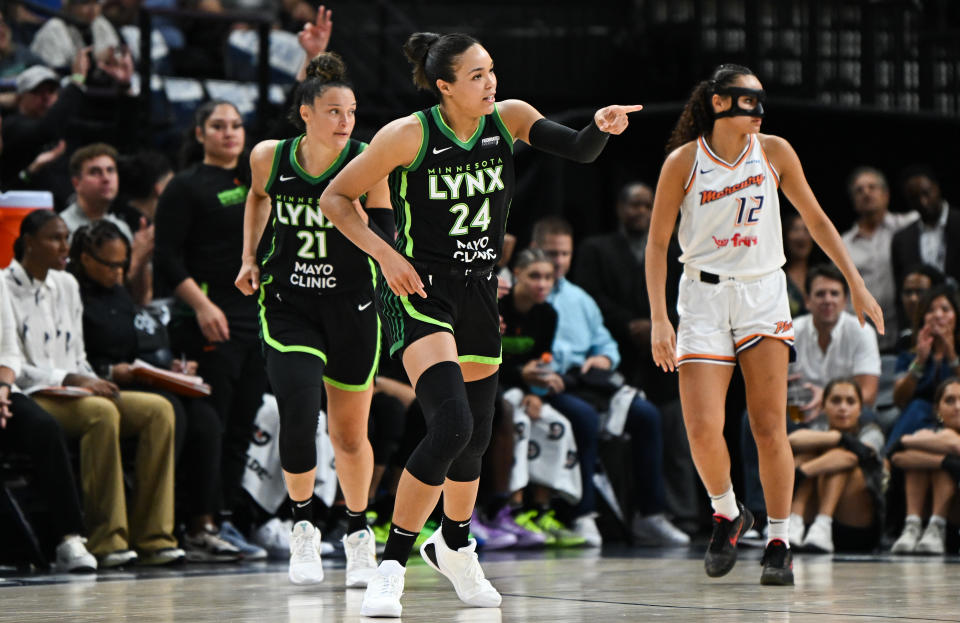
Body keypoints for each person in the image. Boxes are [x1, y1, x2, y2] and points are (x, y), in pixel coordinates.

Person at [316, 32, 640, 617]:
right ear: (444, 87)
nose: (491, 83)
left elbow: (581, 151)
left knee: (476, 439)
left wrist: (602, 126)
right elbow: (337, 200)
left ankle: (457, 544)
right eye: (476, 76)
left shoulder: (510, 118)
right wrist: (386, 254)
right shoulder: (407, 135)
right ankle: (391, 564)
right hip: (419, 291)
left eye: (492, 71)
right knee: (450, 426)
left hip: (480, 292)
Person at [646, 63, 883, 586]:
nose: (758, 109)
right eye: (748, 99)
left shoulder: (774, 151)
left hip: (762, 291)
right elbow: (658, 244)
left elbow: (817, 219)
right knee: (703, 427)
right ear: (719, 103)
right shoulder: (683, 162)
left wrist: (857, 283)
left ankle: (779, 539)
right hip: (702, 294)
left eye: (760, 100)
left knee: (768, 426)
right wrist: (660, 318)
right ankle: (728, 512)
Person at [234, 52, 388, 587]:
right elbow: (257, 200)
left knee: (349, 435)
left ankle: (358, 532)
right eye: (333, 111)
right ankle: (301, 527)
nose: (345, 121)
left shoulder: (369, 161)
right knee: (299, 411)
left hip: (352, 306)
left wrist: (359, 217)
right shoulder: (268, 157)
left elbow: (386, 236)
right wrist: (249, 257)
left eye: (351, 111)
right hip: (289, 303)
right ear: (306, 113)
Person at [4, 210, 183, 567]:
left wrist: (90, 378)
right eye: (55, 238)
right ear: (29, 243)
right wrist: (70, 379)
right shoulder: (3, 286)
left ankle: (154, 536)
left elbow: (78, 353)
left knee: (157, 410)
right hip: (36, 393)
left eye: (65, 238)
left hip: (75, 387)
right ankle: (107, 539)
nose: (64, 246)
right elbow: (12, 365)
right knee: (100, 413)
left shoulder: (67, 285)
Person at [70, 221, 240, 563]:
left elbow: (135, 342)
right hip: (91, 382)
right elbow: (73, 352)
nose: (118, 274)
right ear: (86, 259)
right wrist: (105, 372)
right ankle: (128, 531)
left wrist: (167, 370)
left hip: (130, 380)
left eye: (123, 265)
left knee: (203, 417)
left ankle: (182, 527)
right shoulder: (70, 290)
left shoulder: (118, 291)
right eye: (110, 265)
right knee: (165, 410)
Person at [153, 99, 268, 560]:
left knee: (242, 424)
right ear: (199, 133)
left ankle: (223, 519)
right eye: (218, 126)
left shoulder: (256, 178)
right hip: (208, 319)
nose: (229, 133)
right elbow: (166, 256)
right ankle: (196, 522)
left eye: (236, 125)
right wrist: (201, 306)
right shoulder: (185, 187)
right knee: (212, 425)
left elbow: (296, 126)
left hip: (253, 320)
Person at [531, 216, 689, 547]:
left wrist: (603, 359)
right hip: (546, 385)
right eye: (550, 252)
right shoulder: (524, 290)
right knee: (584, 418)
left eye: (563, 254)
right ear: (535, 249)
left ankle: (650, 514)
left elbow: (607, 346)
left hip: (587, 383)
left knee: (647, 415)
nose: (557, 261)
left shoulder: (580, 299)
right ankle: (582, 514)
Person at [0, 272, 97, 573]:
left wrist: (2, 388)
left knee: (45, 427)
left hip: (3, 388)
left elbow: (7, 350)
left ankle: (69, 537)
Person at [788, 378, 886, 553]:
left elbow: (854, 457)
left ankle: (823, 523)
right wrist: (840, 437)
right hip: (811, 528)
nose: (843, 407)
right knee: (806, 454)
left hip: (856, 526)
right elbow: (792, 440)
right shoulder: (819, 428)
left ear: (860, 408)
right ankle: (795, 521)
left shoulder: (871, 431)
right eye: (835, 401)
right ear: (823, 405)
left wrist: (802, 472)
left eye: (850, 401)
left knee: (839, 459)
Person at [840, 166, 917, 351]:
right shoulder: (844, 244)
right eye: (859, 190)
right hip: (860, 337)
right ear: (854, 201)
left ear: (886, 194)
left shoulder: (909, 226)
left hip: (904, 333)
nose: (866, 193)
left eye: (872, 187)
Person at [889, 377, 960, 554]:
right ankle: (913, 525)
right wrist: (944, 463)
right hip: (925, 524)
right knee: (926, 453)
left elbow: (956, 445)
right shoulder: (925, 434)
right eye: (950, 400)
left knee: (937, 446)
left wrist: (904, 440)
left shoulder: (923, 439)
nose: (957, 407)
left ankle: (938, 524)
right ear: (937, 409)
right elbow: (898, 458)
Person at [886, 285, 960, 454]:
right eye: (931, 310)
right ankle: (890, 463)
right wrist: (920, 361)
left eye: (945, 309)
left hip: (956, 415)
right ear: (922, 318)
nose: (938, 315)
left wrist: (952, 355)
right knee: (917, 406)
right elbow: (900, 399)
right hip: (919, 420)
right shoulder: (908, 355)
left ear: (956, 315)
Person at [891, 166, 960, 295]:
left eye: (926, 193)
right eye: (914, 197)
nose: (922, 202)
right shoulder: (902, 239)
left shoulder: (957, 222)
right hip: (922, 312)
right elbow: (900, 292)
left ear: (936, 188)